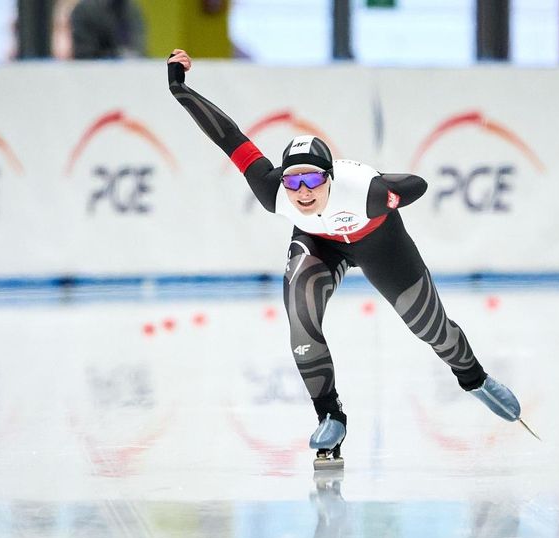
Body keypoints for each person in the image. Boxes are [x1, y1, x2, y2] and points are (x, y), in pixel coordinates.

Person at [166, 49, 523, 468]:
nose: (301, 191)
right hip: (320, 243)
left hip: (379, 242)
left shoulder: (364, 190)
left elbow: (418, 184)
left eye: (312, 179)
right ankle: (329, 415)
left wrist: (391, 197)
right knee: (301, 314)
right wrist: (180, 90)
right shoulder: (271, 190)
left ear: (330, 179)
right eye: (293, 179)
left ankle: (474, 378)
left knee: (429, 327)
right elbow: (228, 136)